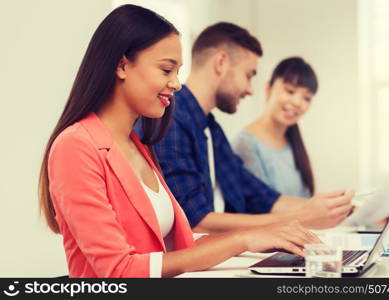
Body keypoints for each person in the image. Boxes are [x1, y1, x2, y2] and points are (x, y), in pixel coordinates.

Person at [38, 5, 319, 278]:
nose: (177, 83)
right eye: (166, 70)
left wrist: (262, 238)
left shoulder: (140, 145)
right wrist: (242, 240)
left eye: (177, 71)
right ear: (122, 65)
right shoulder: (75, 146)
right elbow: (119, 270)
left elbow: (179, 249)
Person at [150, 22, 354, 234]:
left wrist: (332, 208)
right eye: (249, 75)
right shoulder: (171, 120)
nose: (249, 90)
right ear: (221, 63)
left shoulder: (211, 129)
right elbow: (195, 221)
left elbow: (259, 195)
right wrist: (301, 218)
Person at [233, 57, 317, 199]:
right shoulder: (245, 144)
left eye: (306, 98)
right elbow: (260, 205)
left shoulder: (293, 141)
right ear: (268, 88)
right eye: (290, 91)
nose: (297, 102)